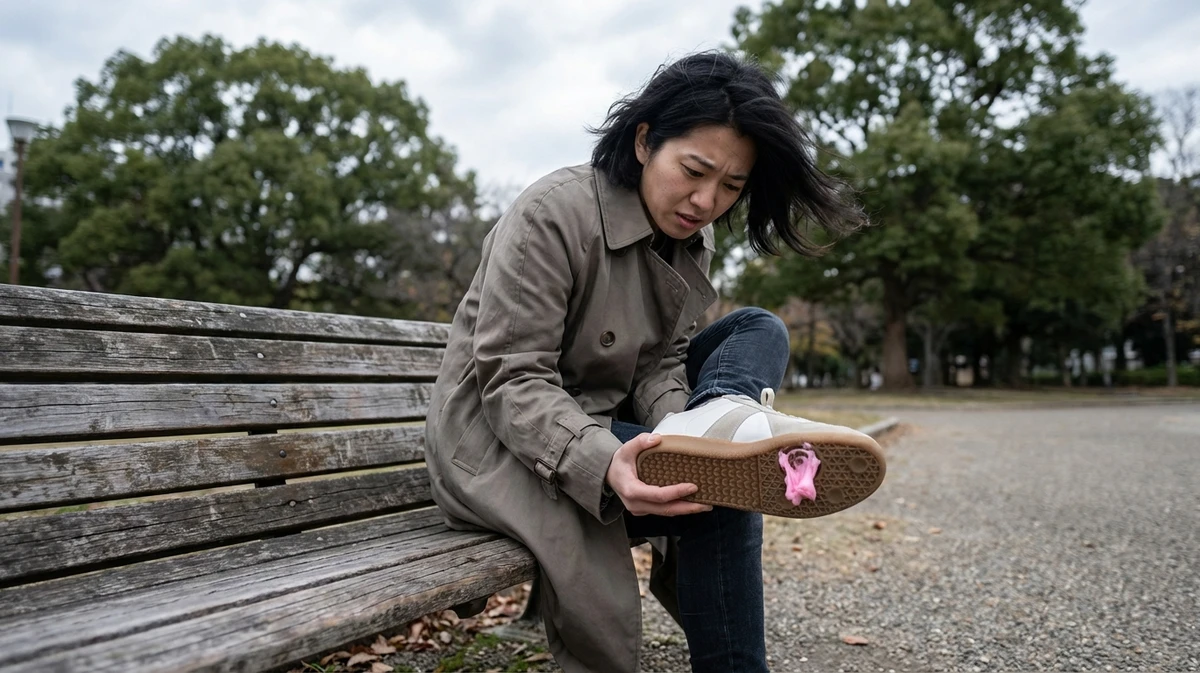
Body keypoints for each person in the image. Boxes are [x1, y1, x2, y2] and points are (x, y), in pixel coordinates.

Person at [425, 51, 881, 673]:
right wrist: (607, 460)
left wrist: (677, 429)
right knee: (719, 488)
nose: (705, 200)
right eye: (693, 170)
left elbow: (661, 361)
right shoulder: (551, 213)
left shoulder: (693, 237)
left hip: (610, 420)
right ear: (644, 142)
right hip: (500, 443)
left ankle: (716, 419)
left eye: (732, 186)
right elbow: (512, 379)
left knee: (756, 337)